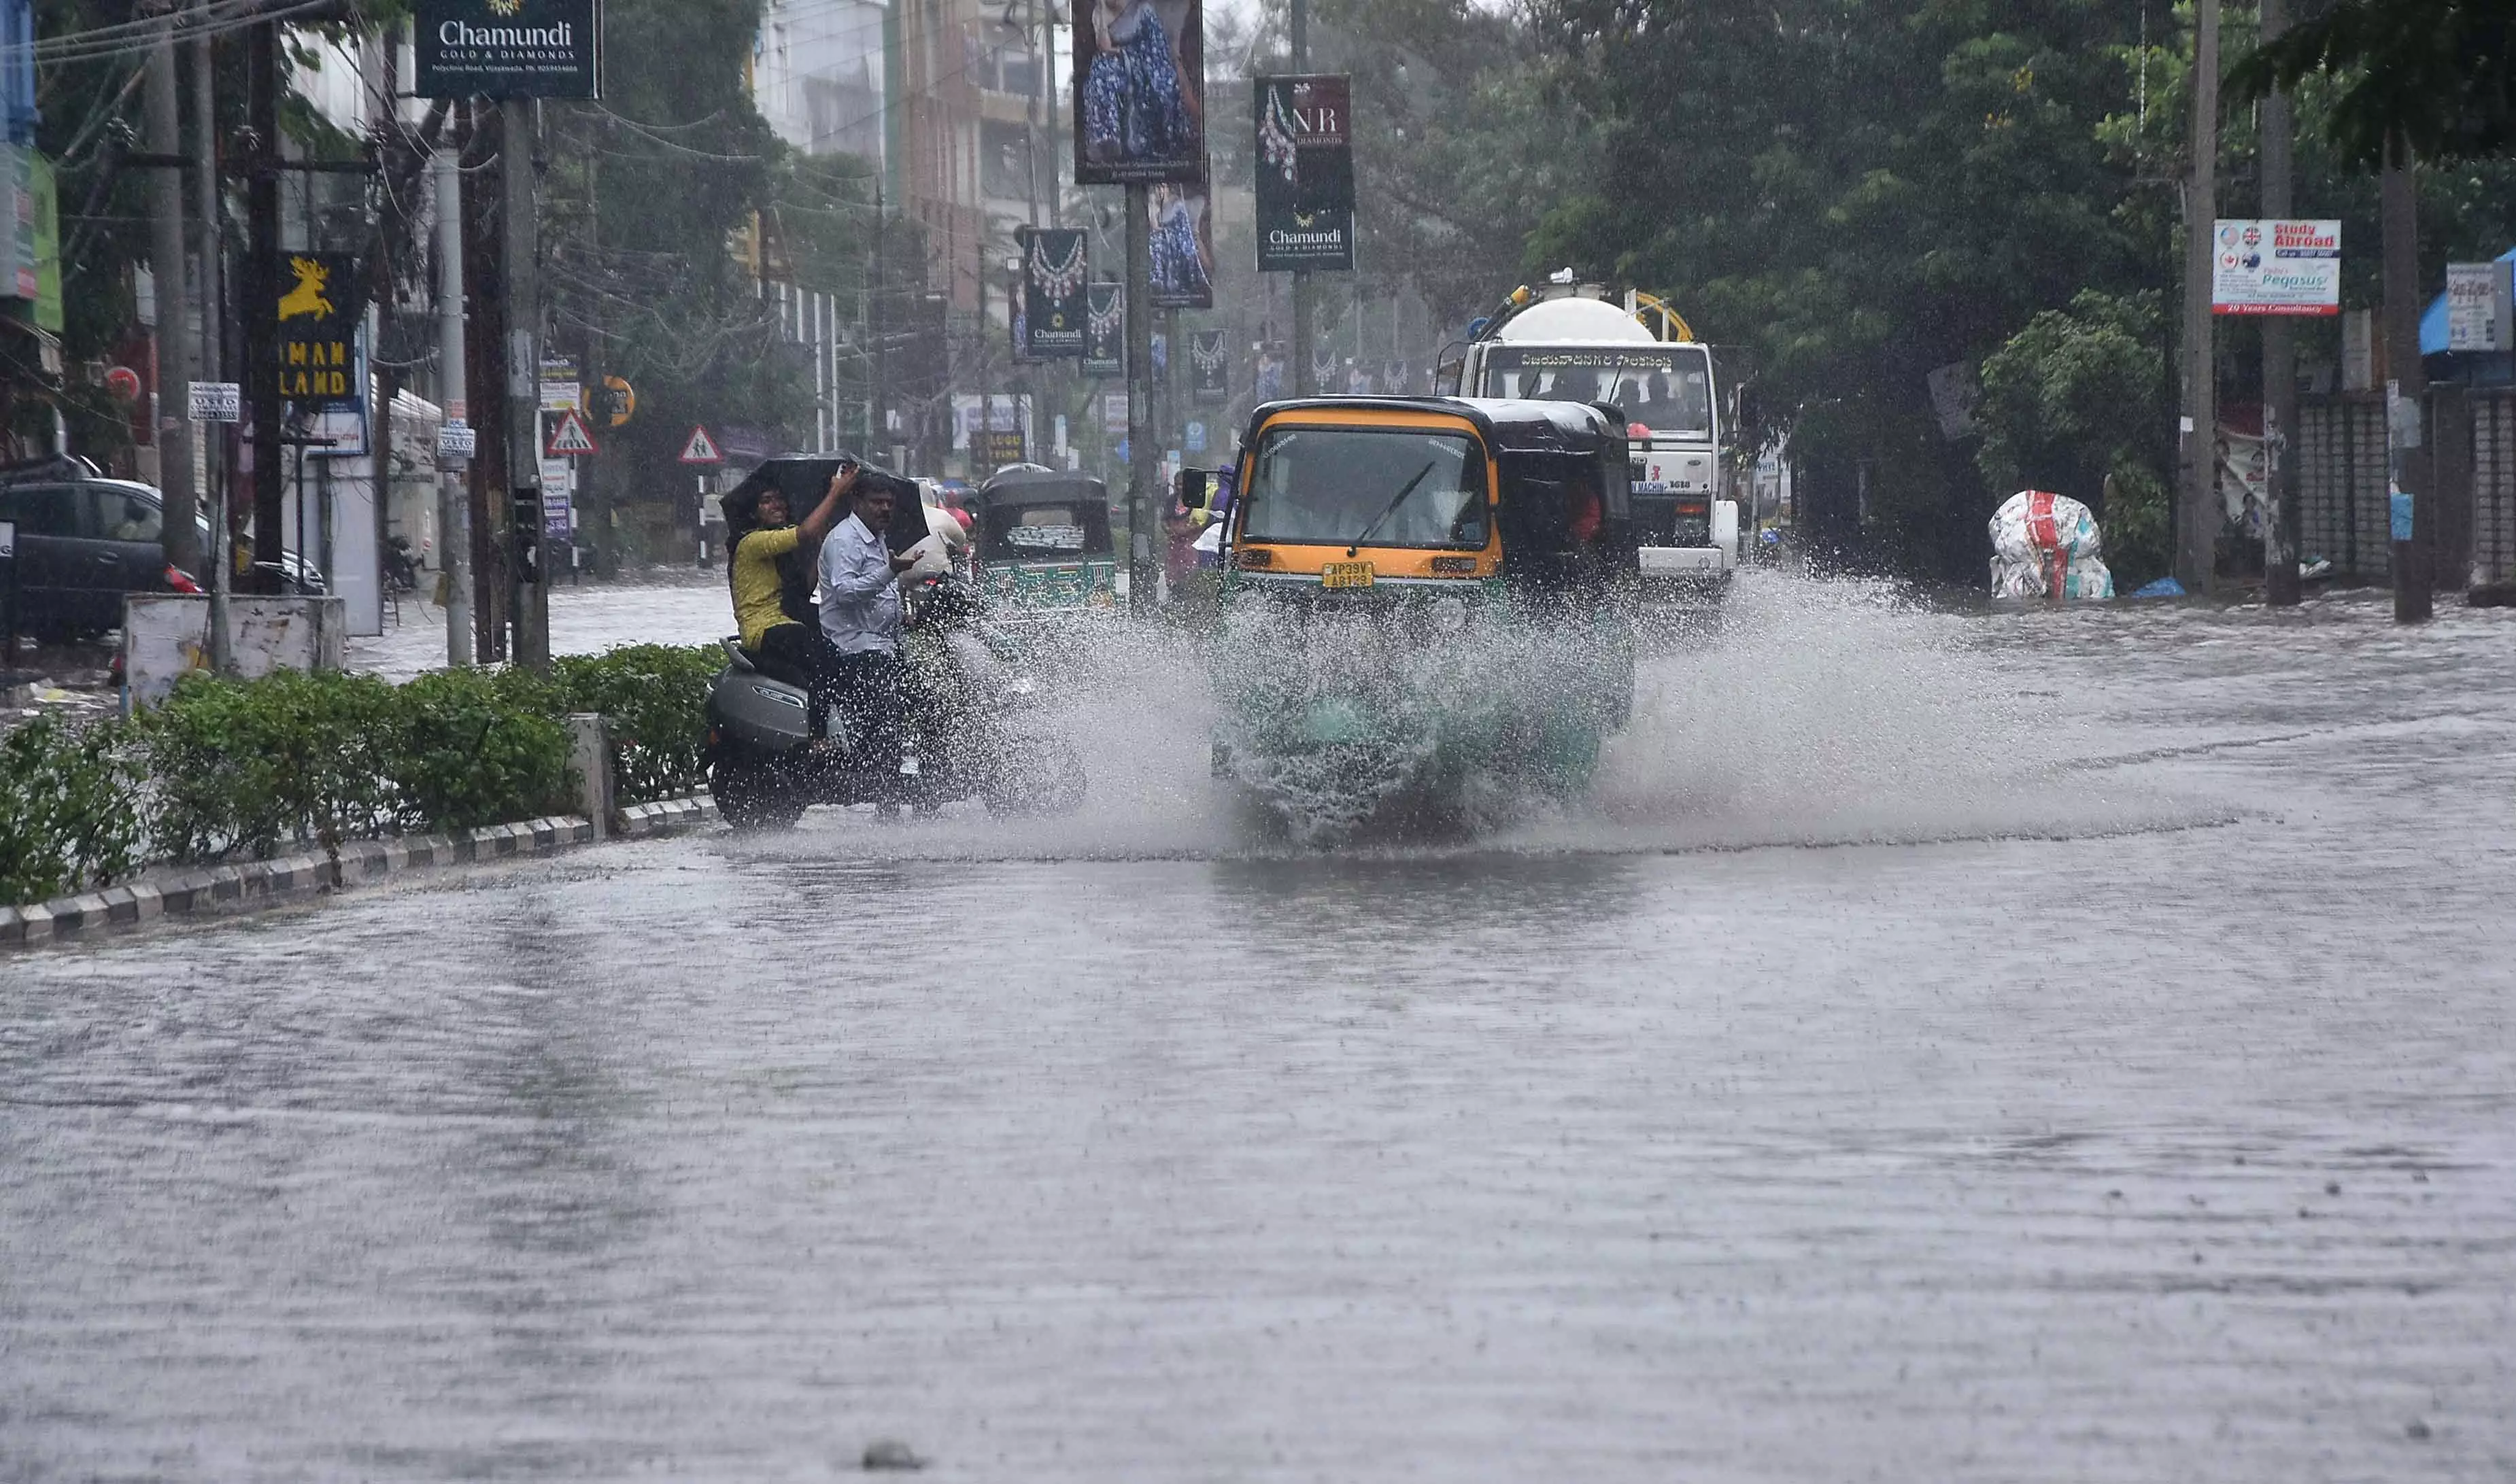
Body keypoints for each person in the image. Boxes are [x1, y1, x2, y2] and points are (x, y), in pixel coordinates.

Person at [729, 464, 858, 738]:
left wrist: (819, 551)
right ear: (754, 512)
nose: (776, 505)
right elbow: (805, 533)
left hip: (786, 621)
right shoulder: (754, 543)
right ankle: (819, 738)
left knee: (844, 650)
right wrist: (835, 493)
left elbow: (804, 589)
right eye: (766, 501)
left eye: (778, 499)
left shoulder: (779, 551)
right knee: (824, 657)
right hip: (764, 628)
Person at [819, 477, 924, 790]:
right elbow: (844, 592)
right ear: (857, 502)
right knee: (887, 712)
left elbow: (880, 594)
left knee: (928, 699)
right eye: (877, 502)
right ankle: (882, 785)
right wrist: (890, 571)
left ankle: (923, 783)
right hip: (854, 648)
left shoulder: (877, 537)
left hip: (884, 645)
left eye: (889, 503)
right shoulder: (844, 540)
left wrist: (902, 617)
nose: (885, 508)